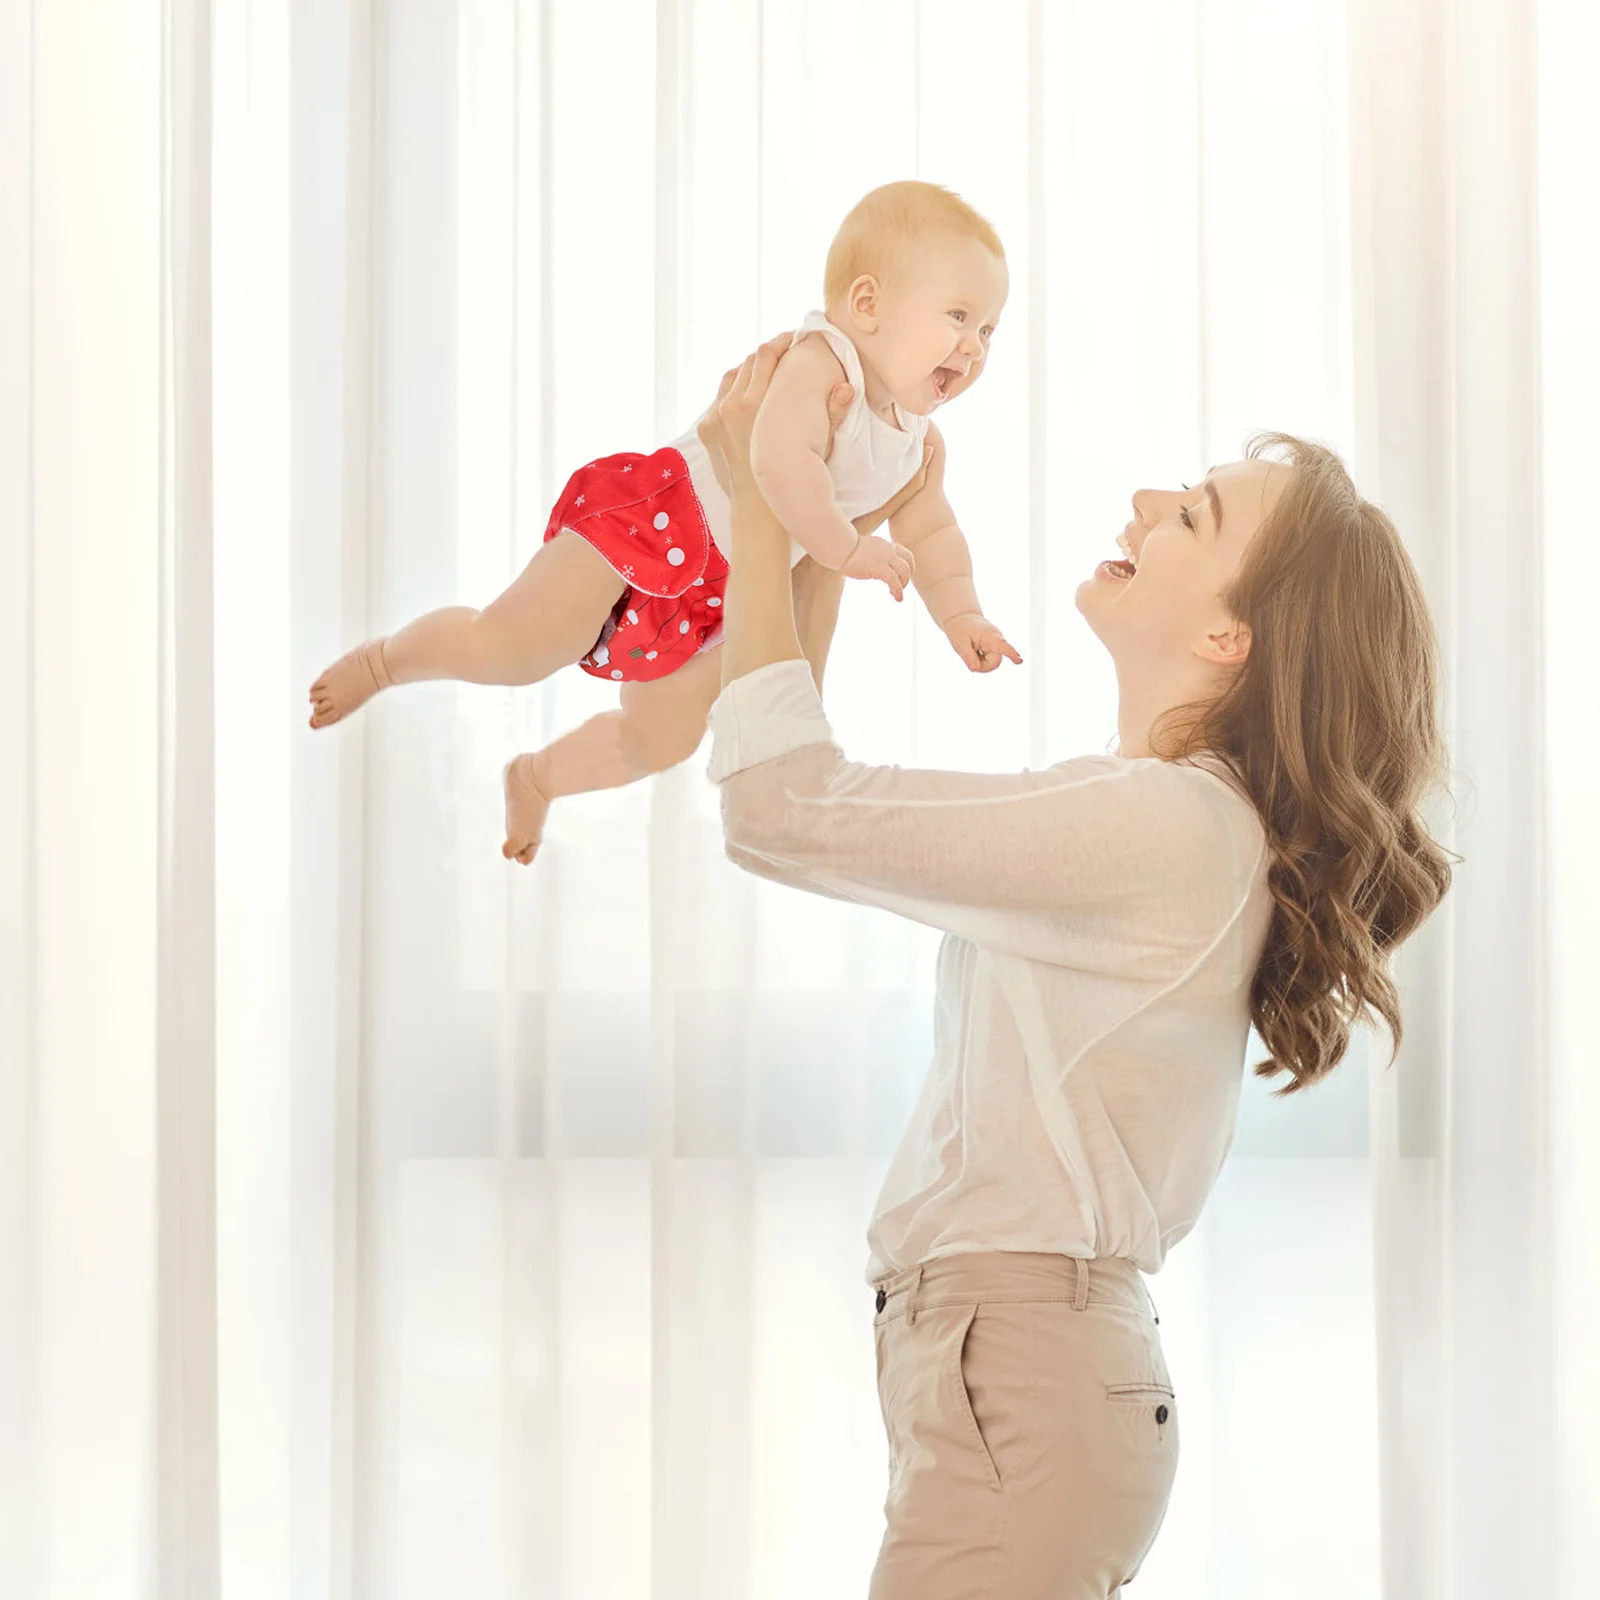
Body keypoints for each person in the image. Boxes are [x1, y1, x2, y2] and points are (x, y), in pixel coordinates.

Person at [695, 335, 1454, 1598]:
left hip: (1025, 1380)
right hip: (1016, 1379)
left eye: (1191, 515)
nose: (1147, 504)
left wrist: (761, 510)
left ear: (1230, 637)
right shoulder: (1176, 826)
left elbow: (780, 809)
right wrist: (800, 535)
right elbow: (794, 802)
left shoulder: (1167, 830)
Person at [304, 181, 1019, 867]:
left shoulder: (918, 445)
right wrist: (850, 548)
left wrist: (965, 619)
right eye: (958, 317)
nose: (976, 346)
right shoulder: (820, 363)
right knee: (510, 650)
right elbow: (778, 464)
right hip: (652, 526)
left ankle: (538, 778)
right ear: (867, 303)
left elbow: (934, 537)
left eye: (989, 328)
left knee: (663, 736)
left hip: (718, 593)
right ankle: (384, 661)